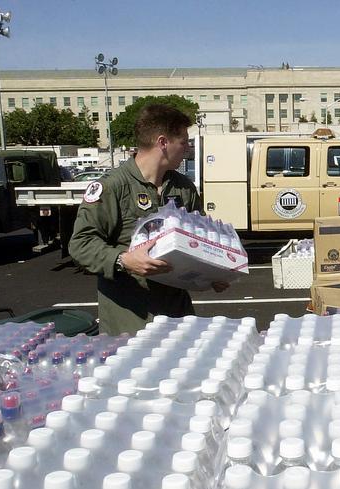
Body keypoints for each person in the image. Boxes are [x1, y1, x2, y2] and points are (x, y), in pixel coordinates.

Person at [69, 103, 228, 335]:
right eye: (183, 142)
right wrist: (124, 260)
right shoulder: (113, 187)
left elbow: (200, 240)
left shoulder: (183, 187)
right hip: (130, 322)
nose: (187, 149)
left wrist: (213, 273)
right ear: (163, 142)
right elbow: (81, 244)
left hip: (177, 317)